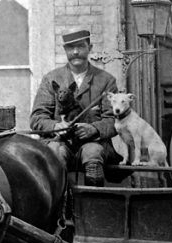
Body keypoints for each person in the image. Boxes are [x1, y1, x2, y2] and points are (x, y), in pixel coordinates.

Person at [29, 29, 119, 186]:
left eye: (80, 46)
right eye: (70, 47)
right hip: (59, 142)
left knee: (93, 152)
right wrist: (56, 126)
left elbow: (114, 121)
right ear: (65, 50)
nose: (76, 52)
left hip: (94, 144)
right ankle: (59, 205)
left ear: (89, 48)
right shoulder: (51, 80)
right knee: (56, 151)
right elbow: (37, 118)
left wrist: (94, 129)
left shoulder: (106, 81)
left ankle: (93, 202)